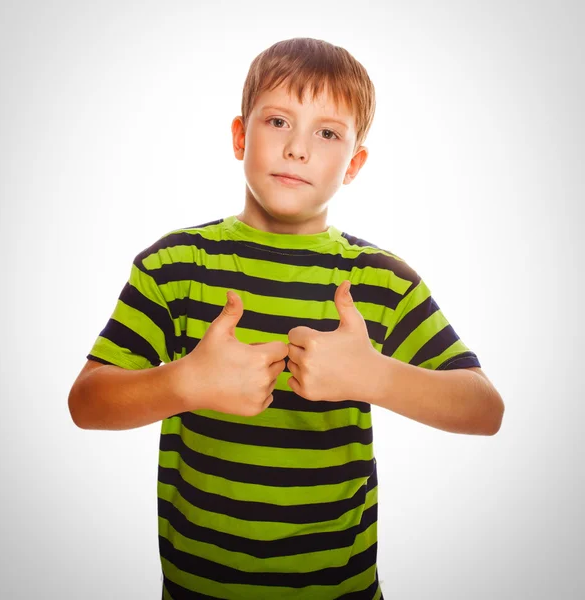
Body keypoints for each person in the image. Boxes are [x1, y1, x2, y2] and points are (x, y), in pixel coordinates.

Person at [69, 37, 504, 600]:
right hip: (198, 589)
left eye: (327, 133)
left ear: (354, 163)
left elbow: (484, 409)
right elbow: (87, 403)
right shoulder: (176, 265)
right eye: (278, 120)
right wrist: (185, 381)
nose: (298, 148)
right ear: (239, 136)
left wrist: (374, 376)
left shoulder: (379, 280)